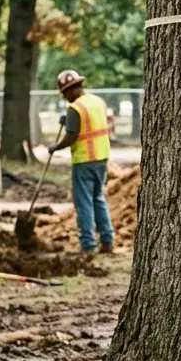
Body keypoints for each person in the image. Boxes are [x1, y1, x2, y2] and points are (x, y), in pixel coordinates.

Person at [48, 70, 115, 254]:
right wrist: (68, 121)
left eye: (64, 93)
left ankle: (88, 245)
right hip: (101, 158)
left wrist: (55, 147)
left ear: (70, 89)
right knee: (98, 198)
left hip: (84, 160)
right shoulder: (97, 101)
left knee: (84, 203)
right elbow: (90, 124)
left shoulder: (75, 108)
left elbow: (71, 136)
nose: (64, 97)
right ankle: (107, 240)